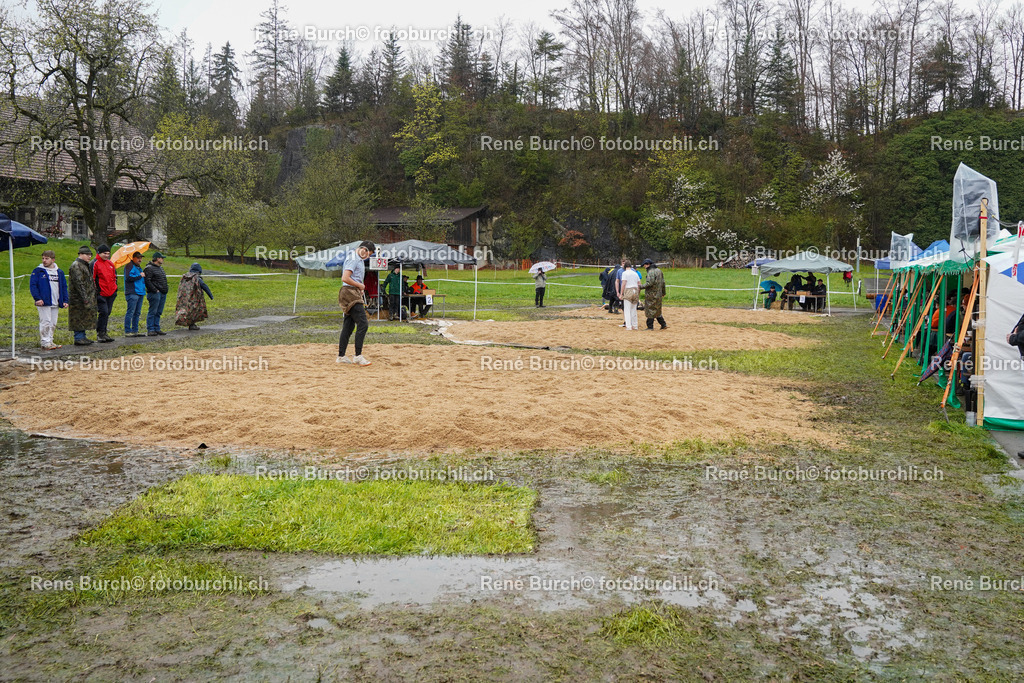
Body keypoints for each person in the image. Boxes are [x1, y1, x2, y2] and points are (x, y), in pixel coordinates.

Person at [337, 241, 375, 366]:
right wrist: (360, 285)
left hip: (352, 291)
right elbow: (345, 277)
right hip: (349, 292)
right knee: (363, 323)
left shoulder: (357, 259)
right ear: (364, 249)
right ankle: (358, 356)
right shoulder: (354, 258)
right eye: (368, 254)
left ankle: (341, 355)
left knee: (348, 325)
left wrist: (360, 288)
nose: (368, 257)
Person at [29, 250, 69, 350]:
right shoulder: (38, 271)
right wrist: (37, 298)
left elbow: (64, 286)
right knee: (45, 321)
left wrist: (65, 300)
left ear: (53, 259)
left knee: (53, 323)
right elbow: (33, 285)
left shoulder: (59, 272)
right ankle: (45, 342)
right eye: (43, 258)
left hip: (56, 301)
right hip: (44, 301)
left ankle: (50, 340)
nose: (44, 260)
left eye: (47, 258)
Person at [68, 245, 97, 346]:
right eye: (87, 254)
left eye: (90, 255)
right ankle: (78, 337)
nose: (89, 256)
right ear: (81, 254)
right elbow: (79, 283)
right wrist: (85, 298)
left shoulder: (84, 265)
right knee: (78, 317)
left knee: (84, 316)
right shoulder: (76, 266)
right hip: (78, 298)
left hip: (85, 296)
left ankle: (82, 336)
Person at [175, 263, 213, 330]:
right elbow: (204, 286)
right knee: (194, 310)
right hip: (194, 297)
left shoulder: (184, 277)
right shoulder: (197, 278)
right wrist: (210, 295)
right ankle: (192, 324)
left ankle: (187, 322)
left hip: (184, 297)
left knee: (185, 310)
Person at [92, 244, 117, 342]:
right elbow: (92, 279)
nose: (107, 255)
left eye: (108, 253)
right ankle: (100, 333)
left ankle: (104, 332)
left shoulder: (110, 264)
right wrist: (97, 292)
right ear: (99, 253)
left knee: (108, 313)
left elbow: (114, 277)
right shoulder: (95, 263)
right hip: (101, 293)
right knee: (103, 312)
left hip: (111, 292)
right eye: (104, 253)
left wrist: (115, 289)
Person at [144, 252, 169, 336]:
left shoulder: (160, 268)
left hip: (162, 292)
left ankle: (157, 327)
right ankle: (151, 329)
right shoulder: (149, 268)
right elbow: (147, 280)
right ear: (157, 258)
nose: (162, 259)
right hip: (155, 293)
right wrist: (154, 290)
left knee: (159, 311)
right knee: (153, 311)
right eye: (162, 258)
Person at [123, 251, 146, 337]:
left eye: (141, 258)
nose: (140, 259)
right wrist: (140, 276)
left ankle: (135, 330)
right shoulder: (129, 266)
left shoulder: (138, 267)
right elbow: (128, 278)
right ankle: (128, 330)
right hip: (132, 292)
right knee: (131, 312)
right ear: (133, 258)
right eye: (138, 257)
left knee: (137, 312)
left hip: (140, 292)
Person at [640, 259, 667, 330]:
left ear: (648, 264)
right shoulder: (659, 271)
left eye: (645, 265)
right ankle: (663, 324)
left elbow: (649, 283)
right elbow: (663, 282)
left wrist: (640, 287)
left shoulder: (650, 272)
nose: (644, 267)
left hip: (651, 294)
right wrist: (663, 292)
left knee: (650, 310)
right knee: (657, 310)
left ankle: (650, 326)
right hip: (659, 294)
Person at [617, 259, 642, 330]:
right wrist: (638, 293)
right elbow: (639, 284)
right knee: (634, 309)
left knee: (627, 309)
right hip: (635, 290)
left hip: (628, 290)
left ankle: (628, 326)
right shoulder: (635, 273)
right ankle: (635, 325)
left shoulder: (624, 273)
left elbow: (623, 284)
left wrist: (621, 293)